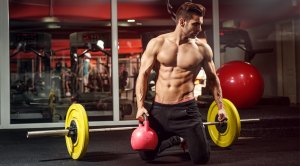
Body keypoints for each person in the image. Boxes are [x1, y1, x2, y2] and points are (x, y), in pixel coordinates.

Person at [135, 2, 227, 164]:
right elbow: (143, 75)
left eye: (201, 24)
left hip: (186, 111)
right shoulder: (157, 43)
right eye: (196, 24)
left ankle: (191, 137)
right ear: (182, 22)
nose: (199, 28)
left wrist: (221, 107)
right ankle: (175, 139)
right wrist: (140, 106)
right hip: (159, 110)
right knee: (146, 155)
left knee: (201, 159)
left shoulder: (202, 49)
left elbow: (213, 79)